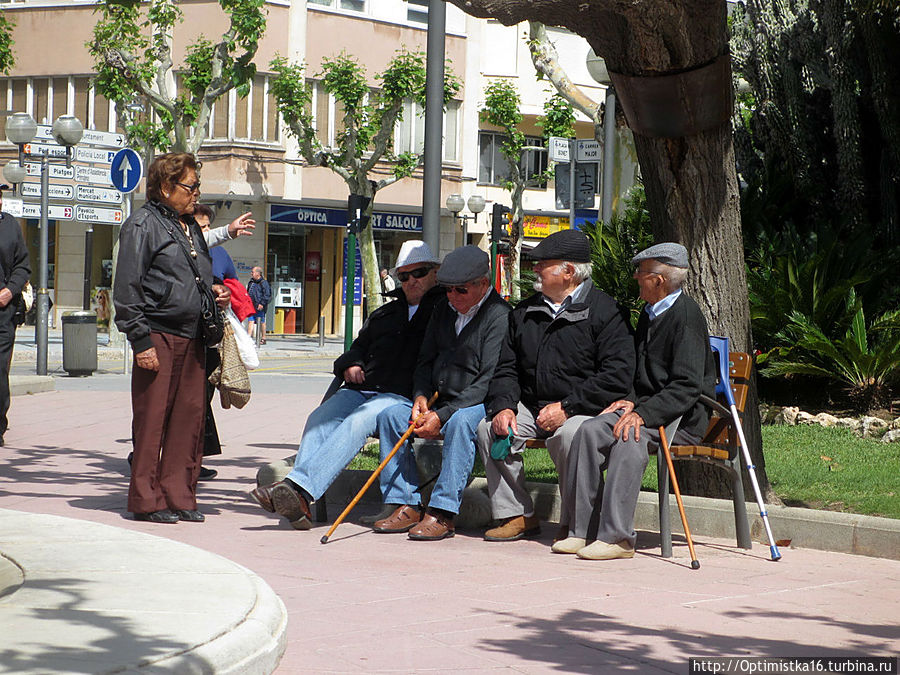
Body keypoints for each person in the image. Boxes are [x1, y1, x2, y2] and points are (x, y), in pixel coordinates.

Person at [249, 240, 444, 528]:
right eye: (404, 275)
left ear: (435, 273)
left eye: (420, 273)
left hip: (404, 396)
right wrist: (352, 364)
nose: (412, 281)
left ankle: (299, 491)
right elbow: (355, 348)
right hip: (363, 387)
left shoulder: (443, 312)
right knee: (320, 418)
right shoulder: (385, 314)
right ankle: (299, 497)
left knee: (359, 420)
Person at [553, 242, 716, 560]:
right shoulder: (650, 313)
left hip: (680, 418)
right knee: (589, 430)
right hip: (648, 409)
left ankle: (619, 538)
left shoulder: (686, 317)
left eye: (641, 272)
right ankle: (580, 530)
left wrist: (642, 413)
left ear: (658, 280)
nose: (635, 277)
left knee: (629, 437)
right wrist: (628, 401)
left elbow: (686, 385)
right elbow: (639, 373)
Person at [476, 229, 635, 542]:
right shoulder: (524, 312)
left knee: (572, 436)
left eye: (543, 264)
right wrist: (505, 405)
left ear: (569, 272)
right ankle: (518, 514)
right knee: (489, 428)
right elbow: (506, 367)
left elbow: (617, 374)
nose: (535, 269)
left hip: (583, 409)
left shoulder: (606, 312)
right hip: (533, 406)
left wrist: (568, 407)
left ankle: (576, 521)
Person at [114, 152, 230, 524]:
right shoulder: (141, 225)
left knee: (189, 419)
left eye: (197, 186)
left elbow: (190, 276)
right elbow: (127, 289)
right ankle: (147, 500)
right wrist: (141, 342)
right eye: (190, 186)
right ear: (165, 187)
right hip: (158, 335)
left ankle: (180, 494)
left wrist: (213, 293)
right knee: (151, 423)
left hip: (192, 337)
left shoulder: (188, 226)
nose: (196, 193)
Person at [373, 245, 510, 541]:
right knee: (390, 417)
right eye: (448, 290)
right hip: (441, 400)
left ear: (483, 284)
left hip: (479, 402)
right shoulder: (442, 310)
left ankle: (443, 513)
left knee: (462, 423)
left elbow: (487, 380)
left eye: (460, 291)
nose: (452, 297)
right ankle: (405, 503)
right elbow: (425, 360)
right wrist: (421, 395)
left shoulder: (499, 315)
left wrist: (442, 414)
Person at [0, 184, 31, 447]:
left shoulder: (10, 225)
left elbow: (23, 265)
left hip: (3, 312)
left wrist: (10, 291)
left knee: (0, 370)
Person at [246, 266, 271, 344]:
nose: (251, 273)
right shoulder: (251, 282)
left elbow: (267, 294)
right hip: (251, 305)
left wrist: (262, 303)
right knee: (250, 321)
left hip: (259, 306)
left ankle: (263, 338)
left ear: (258, 273)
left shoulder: (264, 283)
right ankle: (248, 338)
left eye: (252, 272)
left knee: (261, 322)